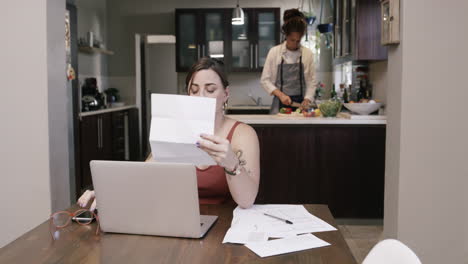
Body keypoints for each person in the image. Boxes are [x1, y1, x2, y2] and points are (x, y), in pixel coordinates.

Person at [77, 58, 260, 210]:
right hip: (176, 219)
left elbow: (246, 200)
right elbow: (144, 178)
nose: (201, 97)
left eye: (210, 90)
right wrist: (108, 192)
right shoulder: (174, 130)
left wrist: (231, 163)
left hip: (225, 224)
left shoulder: (242, 134)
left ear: (226, 94)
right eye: (194, 90)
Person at [261, 8, 317, 114]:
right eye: (292, 40)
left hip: (302, 107)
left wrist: (307, 99)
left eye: (298, 40)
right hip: (279, 106)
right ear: (286, 36)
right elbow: (265, 80)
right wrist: (281, 95)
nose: (295, 44)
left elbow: (311, 81)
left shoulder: (307, 54)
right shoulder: (274, 52)